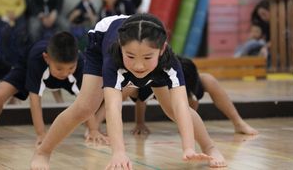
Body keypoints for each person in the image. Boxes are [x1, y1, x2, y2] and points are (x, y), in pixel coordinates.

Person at [30, 13, 227, 170]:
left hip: (146, 50)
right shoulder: (113, 58)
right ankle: (43, 152)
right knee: (84, 108)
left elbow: (181, 105)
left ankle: (210, 147)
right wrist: (118, 152)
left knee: (172, 108)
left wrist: (188, 148)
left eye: (147, 57)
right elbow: (113, 107)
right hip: (101, 41)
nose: (139, 66)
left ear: (162, 49)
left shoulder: (169, 62)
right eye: (131, 56)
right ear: (122, 48)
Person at [0, 32, 85, 145]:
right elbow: (34, 99)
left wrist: (93, 130)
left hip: (64, 72)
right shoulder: (36, 58)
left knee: (96, 94)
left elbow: (85, 100)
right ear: (46, 58)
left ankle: (93, 128)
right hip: (27, 68)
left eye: (71, 68)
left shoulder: (79, 62)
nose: (65, 73)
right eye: (59, 69)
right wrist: (41, 133)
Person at [128, 56, 258, 135]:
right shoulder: (160, 80)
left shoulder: (193, 84)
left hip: (186, 89)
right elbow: (141, 100)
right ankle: (107, 123)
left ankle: (238, 122)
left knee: (209, 79)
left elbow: (194, 101)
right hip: (145, 87)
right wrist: (140, 123)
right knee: (129, 88)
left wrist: (185, 124)